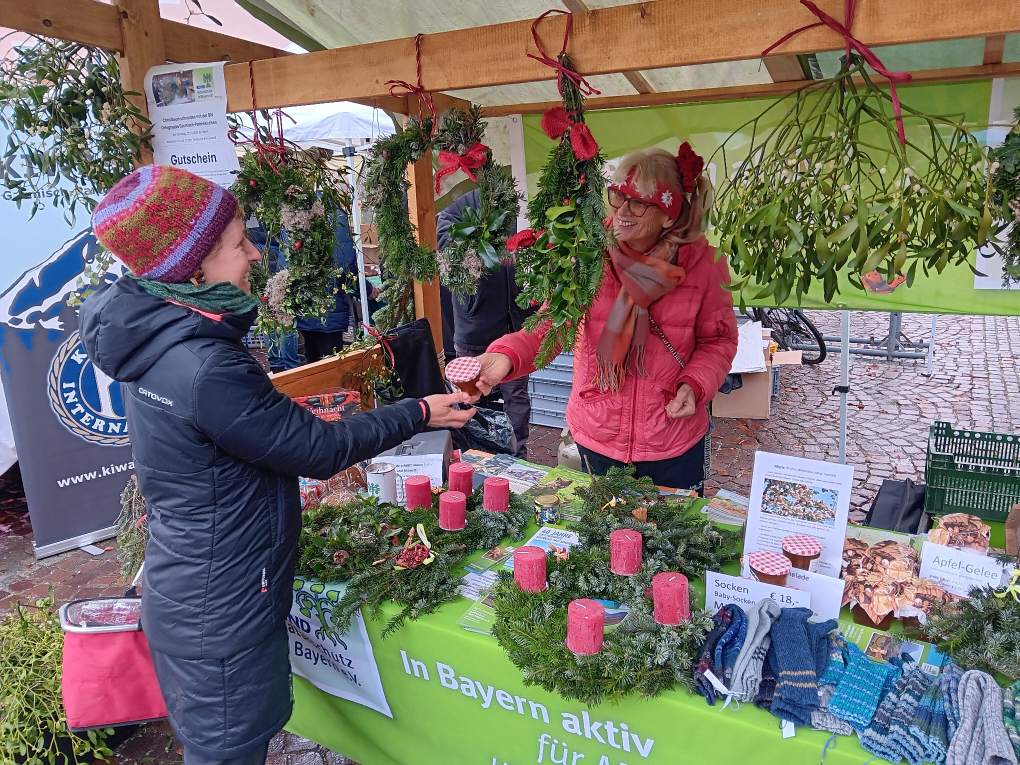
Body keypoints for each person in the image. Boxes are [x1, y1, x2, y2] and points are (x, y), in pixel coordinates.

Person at [79, 165, 474, 765]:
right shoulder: (203, 364)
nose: (255, 255)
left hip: (199, 590)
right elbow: (319, 449)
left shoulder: (159, 337)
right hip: (221, 611)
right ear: (193, 268)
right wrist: (420, 410)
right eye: (239, 244)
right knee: (228, 751)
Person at [474, 146, 737, 492]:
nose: (623, 211)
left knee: (670, 540)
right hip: (598, 432)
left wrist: (695, 383)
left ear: (669, 215)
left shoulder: (704, 264)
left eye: (639, 202)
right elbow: (554, 321)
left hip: (672, 437)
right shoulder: (589, 251)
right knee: (600, 537)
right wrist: (507, 355)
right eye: (618, 196)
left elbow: (718, 340)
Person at [437, 189, 534, 457]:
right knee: (470, 396)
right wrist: (480, 248)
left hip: (516, 324)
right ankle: (474, 453)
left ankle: (518, 454)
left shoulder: (521, 206)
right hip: (474, 326)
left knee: (516, 396)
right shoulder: (463, 205)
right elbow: (444, 240)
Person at [296, 211, 357, 362]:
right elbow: (346, 267)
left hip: (305, 309)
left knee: (311, 360)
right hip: (331, 309)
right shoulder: (337, 217)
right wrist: (367, 290)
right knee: (331, 363)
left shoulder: (294, 215)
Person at [246, 222, 302, 372]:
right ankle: (284, 367)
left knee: (278, 319)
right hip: (268, 271)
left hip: (272, 271)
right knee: (277, 320)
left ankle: (283, 367)